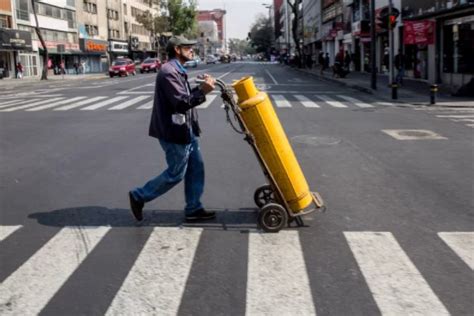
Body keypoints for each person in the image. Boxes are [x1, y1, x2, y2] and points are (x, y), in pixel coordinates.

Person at [128, 35, 216, 222]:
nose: (192, 50)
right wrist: (203, 92)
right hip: (173, 132)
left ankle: (193, 208)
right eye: (188, 47)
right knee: (176, 173)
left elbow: (184, 96)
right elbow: (181, 103)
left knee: (196, 167)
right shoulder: (169, 72)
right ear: (177, 49)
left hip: (185, 129)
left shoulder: (177, 70)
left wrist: (200, 88)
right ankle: (139, 196)